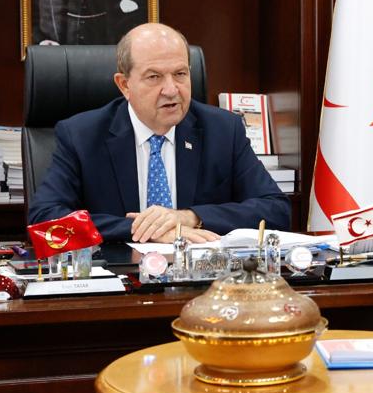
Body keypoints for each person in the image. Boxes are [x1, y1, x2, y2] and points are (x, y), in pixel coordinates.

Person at [28, 23, 290, 243]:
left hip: (202, 279)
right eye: (154, 77)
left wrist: (190, 217)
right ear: (124, 85)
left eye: (180, 74)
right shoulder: (81, 135)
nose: (171, 90)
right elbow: (45, 219)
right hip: (120, 279)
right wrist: (146, 230)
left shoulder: (223, 130)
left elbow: (276, 210)